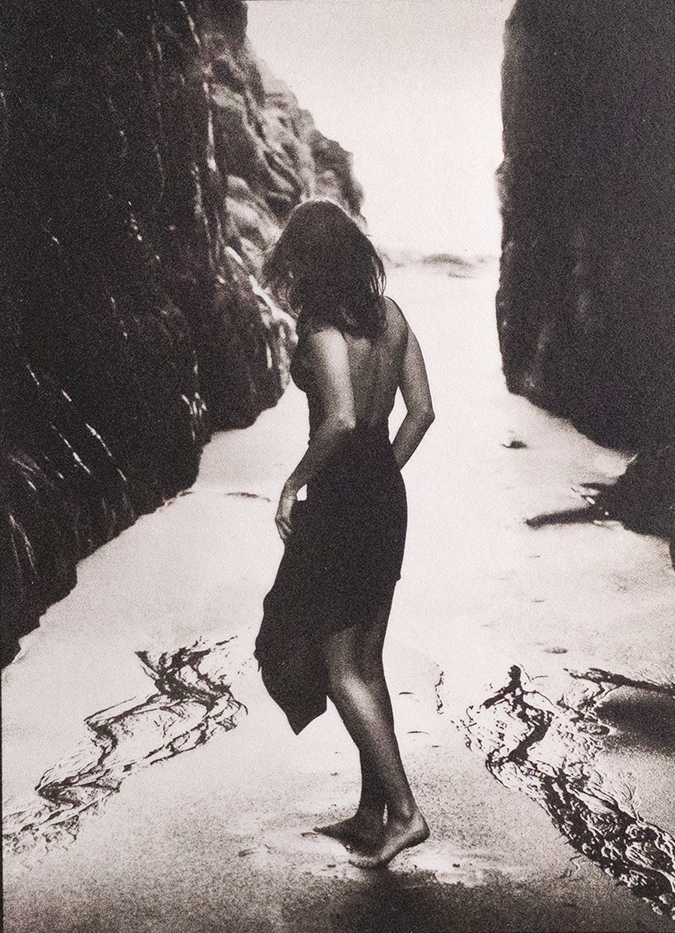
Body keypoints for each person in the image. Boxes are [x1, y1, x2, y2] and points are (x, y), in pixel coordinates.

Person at [254, 198, 435, 869]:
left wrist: (292, 483)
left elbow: (337, 420)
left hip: (339, 500)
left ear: (309, 259)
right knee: (366, 658)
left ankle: (406, 813)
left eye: (295, 258)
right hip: (384, 494)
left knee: (334, 665)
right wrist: (382, 474)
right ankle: (370, 811)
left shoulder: (322, 329)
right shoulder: (392, 318)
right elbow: (420, 412)